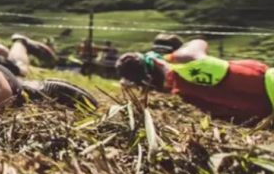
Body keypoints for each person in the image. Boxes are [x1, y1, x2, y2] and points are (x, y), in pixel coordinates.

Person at [116, 38, 274, 123]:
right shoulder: (192, 69)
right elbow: (198, 43)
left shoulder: (182, 96)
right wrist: (169, 57)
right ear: (157, 62)